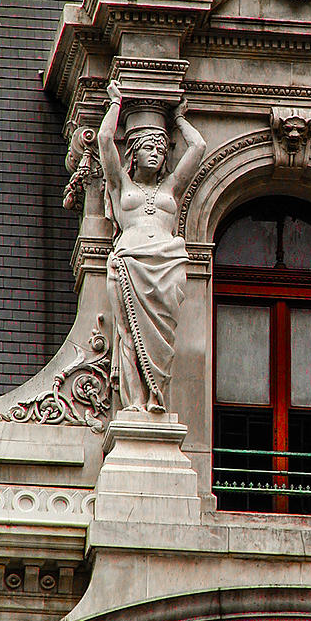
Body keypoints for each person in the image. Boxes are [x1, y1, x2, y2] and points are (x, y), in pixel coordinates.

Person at [98, 80, 206, 412]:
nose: (157, 153)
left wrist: (178, 119)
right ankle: (134, 406)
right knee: (128, 336)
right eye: (149, 147)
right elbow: (104, 140)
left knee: (162, 342)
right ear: (133, 151)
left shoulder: (172, 188)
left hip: (168, 266)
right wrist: (115, 104)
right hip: (129, 263)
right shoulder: (121, 184)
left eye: (161, 149)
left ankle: (157, 397)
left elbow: (198, 147)